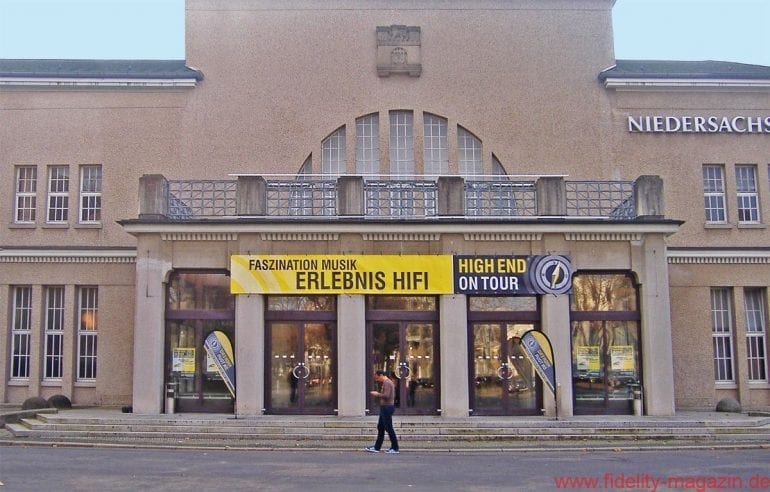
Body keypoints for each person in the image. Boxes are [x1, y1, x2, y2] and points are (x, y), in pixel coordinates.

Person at [365, 370, 400, 454]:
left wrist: (377, 394)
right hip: (385, 407)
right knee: (380, 427)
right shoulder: (388, 382)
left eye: (377, 378)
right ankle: (377, 447)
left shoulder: (387, 383)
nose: (377, 380)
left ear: (381, 375)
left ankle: (395, 448)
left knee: (389, 428)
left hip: (387, 407)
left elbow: (387, 396)